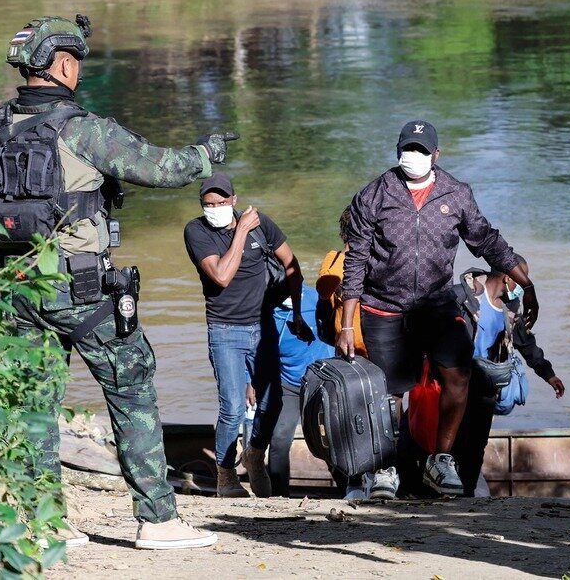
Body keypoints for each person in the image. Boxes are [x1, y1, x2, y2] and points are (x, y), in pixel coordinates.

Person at [0, 15, 229, 550]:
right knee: (132, 388)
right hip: (82, 291)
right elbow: (163, 168)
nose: (78, 71)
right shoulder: (84, 129)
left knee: (33, 402)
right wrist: (207, 153)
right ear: (62, 64)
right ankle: (157, 520)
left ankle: (42, 521)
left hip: (13, 290)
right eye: (77, 62)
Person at [337, 119, 539, 499]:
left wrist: (526, 284)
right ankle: (385, 469)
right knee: (389, 393)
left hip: (436, 305)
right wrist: (347, 325)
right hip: (384, 308)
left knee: (457, 380)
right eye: (407, 149)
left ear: (436, 154)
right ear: (397, 151)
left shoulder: (456, 194)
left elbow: (488, 242)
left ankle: (441, 460)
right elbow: (355, 262)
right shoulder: (373, 196)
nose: (412, 156)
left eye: (420, 150)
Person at [183, 174, 309, 498]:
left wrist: (295, 313)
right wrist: (240, 231)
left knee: (273, 401)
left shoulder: (261, 224)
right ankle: (226, 475)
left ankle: (254, 453)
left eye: (222, 202)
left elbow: (292, 264)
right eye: (209, 204)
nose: (215, 209)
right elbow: (222, 276)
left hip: (262, 326)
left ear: (234, 200)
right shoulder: (196, 232)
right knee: (233, 408)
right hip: (224, 329)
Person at [451, 269, 564, 496]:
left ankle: (467, 493)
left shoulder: (510, 309)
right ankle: (445, 487)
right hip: (457, 383)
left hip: (485, 387)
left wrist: (548, 374)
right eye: (521, 280)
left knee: (476, 444)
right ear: (507, 278)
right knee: (453, 439)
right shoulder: (463, 298)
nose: (523, 286)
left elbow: (527, 345)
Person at [249, 283, 335, 497]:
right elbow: (251, 352)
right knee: (279, 438)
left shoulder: (317, 299)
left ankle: (350, 489)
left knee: (333, 437)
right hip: (288, 384)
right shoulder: (263, 313)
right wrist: (249, 381)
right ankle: (279, 496)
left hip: (322, 382)